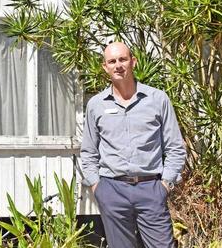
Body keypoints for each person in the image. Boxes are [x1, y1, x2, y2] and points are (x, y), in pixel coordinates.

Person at [80, 42, 186, 248]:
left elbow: (174, 146)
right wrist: (97, 186)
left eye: (123, 59)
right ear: (105, 67)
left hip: (151, 189)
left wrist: (165, 185)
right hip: (112, 189)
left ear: (133, 62)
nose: (118, 65)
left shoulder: (157, 99)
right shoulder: (96, 105)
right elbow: (89, 150)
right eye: (112, 61)